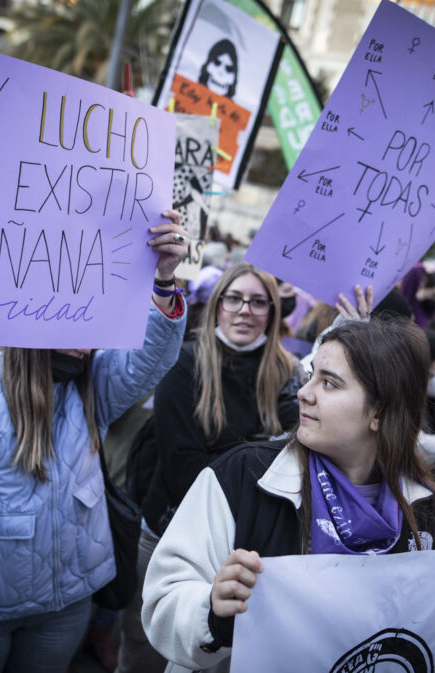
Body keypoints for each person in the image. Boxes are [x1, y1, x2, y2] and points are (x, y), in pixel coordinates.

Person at [141, 319, 435, 673]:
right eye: (310, 377)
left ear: (379, 412)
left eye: (329, 383)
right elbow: (162, 607)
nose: (304, 394)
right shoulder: (244, 476)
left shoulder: (423, 508)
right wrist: (213, 612)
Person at [0, 211, 190, 673]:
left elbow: (150, 361)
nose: (89, 345)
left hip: (65, 608)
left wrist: (163, 280)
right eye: (77, 325)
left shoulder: (91, 385)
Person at [118, 262, 301, 673]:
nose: (244, 311)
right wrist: (260, 448)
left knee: (217, 655)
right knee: (146, 648)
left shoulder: (287, 371)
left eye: (258, 302)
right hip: (170, 532)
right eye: (234, 299)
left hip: (248, 547)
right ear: (217, 305)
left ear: (272, 312)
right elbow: (185, 469)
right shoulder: (185, 363)